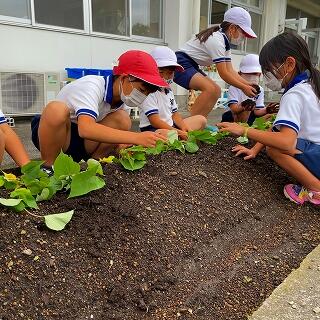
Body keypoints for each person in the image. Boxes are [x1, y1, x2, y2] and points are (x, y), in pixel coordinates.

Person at [217, 32, 320, 206]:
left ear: (289, 64)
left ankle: (315, 189)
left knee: (274, 149)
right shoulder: (312, 84)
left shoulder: (294, 94)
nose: (265, 77)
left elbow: (285, 142)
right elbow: (276, 130)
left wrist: (245, 130)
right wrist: (254, 150)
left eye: (267, 70)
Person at [31, 50, 169, 172]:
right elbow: (86, 129)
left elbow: (114, 136)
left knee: (122, 118)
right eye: (142, 90)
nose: (143, 96)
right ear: (125, 78)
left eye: (147, 93)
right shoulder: (91, 86)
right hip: (59, 137)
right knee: (56, 109)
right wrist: (137, 137)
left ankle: (97, 163)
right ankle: (49, 167)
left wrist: (127, 147)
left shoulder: (122, 100)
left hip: (84, 143)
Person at [174, 7, 258, 117]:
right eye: (243, 33)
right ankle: (189, 125)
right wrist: (243, 87)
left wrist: (247, 84)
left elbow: (230, 70)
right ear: (232, 28)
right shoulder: (217, 40)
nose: (244, 38)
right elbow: (224, 74)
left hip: (191, 64)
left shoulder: (225, 42)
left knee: (216, 90)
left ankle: (199, 122)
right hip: (181, 62)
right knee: (210, 89)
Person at [137, 46, 207, 138]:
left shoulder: (168, 90)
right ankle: (176, 139)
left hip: (171, 127)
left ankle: (177, 139)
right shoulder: (148, 91)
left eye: (171, 73)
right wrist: (179, 132)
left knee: (201, 120)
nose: (168, 77)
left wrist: (183, 127)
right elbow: (155, 121)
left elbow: (175, 114)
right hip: (154, 129)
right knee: (163, 134)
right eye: (162, 72)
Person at [222, 54, 279, 125]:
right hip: (231, 117)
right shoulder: (234, 87)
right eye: (250, 73)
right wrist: (244, 106)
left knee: (270, 116)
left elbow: (257, 111)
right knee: (246, 110)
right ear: (239, 74)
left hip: (249, 117)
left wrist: (267, 110)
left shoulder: (260, 90)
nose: (254, 77)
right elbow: (234, 109)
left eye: (257, 74)